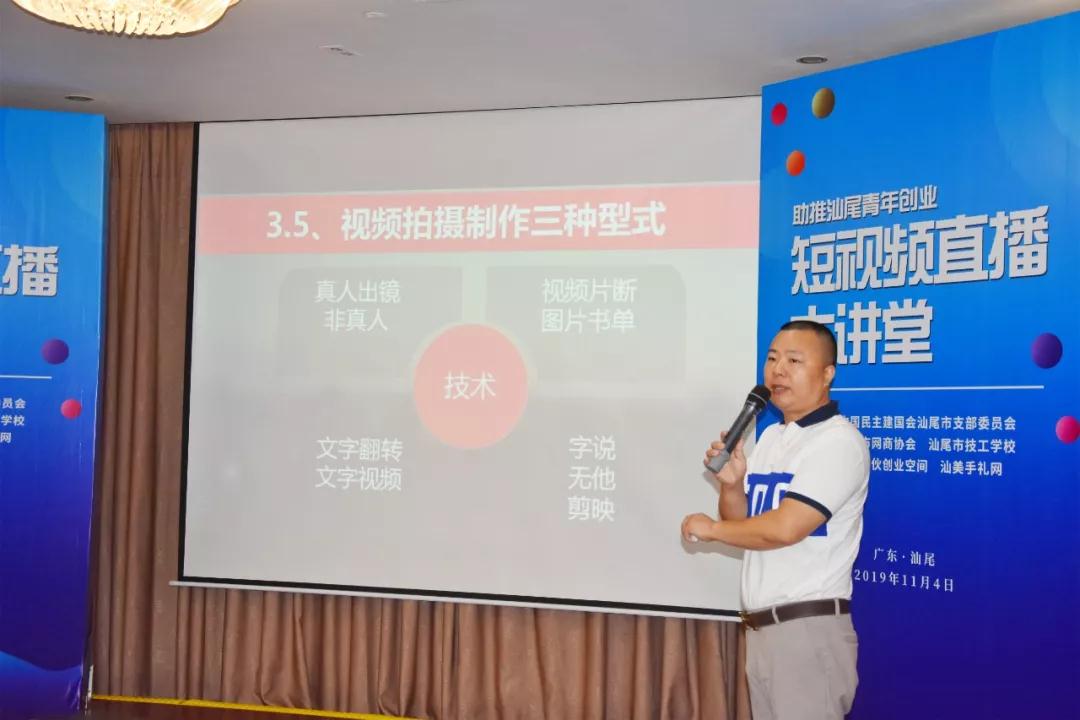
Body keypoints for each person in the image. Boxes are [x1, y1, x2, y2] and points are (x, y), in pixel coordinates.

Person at [681, 320, 870, 720]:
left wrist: (712, 530)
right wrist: (732, 486)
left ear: (827, 374)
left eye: (794, 361)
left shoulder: (838, 442)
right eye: (772, 359)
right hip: (763, 631)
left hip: (806, 631)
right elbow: (746, 524)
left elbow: (786, 528)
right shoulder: (770, 438)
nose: (778, 370)